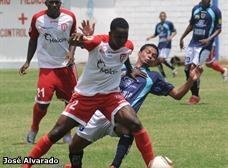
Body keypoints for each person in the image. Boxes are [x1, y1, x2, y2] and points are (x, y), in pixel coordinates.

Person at [22, 18, 154, 168]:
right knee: (57, 132)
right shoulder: (97, 43)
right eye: (118, 37)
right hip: (85, 96)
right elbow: (76, 41)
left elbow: (124, 56)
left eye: (125, 37)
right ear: (110, 34)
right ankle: (26, 165)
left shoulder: (127, 46)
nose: (122, 40)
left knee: (135, 123)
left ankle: (151, 164)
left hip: (111, 95)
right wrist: (79, 37)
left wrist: (130, 70)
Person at [67, 43, 203, 168]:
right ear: (140, 52)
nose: (150, 56)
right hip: (100, 113)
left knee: (130, 128)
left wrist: (191, 80)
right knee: (74, 147)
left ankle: (114, 165)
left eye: (154, 56)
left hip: (122, 117)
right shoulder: (119, 66)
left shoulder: (153, 77)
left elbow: (177, 94)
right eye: (148, 52)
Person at [19, 0, 79, 144]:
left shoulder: (70, 16)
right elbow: (33, 40)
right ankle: (34, 129)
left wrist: (71, 53)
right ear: (46, 3)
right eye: (51, 2)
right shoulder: (37, 18)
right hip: (47, 68)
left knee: (70, 102)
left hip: (66, 67)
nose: (54, 5)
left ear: (60, 3)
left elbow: (74, 38)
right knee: (42, 104)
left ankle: (66, 133)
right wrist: (28, 61)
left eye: (57, 2)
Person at [180, 0, 222, 105]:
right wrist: (182, 37)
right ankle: (195, 94)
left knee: (193, 69)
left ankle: (194, 97)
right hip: (192, 44)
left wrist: (209, 39)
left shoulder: (215, 10)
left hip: (205, 45)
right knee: (187, 70)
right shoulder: (195, 9)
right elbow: (191, 25)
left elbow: (219, 29)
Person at [146, 11, 177, 79]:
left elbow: (175, 31)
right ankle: (165, 76)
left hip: (167, 44)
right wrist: (150, 37)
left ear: (165, 17)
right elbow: (156, 34)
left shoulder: (169, 23)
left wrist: (171, 37)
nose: (162, 17)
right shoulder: (158, 25)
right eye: (161, 16)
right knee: (157, 60)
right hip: (160, 45)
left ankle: (172, 69)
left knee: (161, 59)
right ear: (159, 17)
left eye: (164, 16)